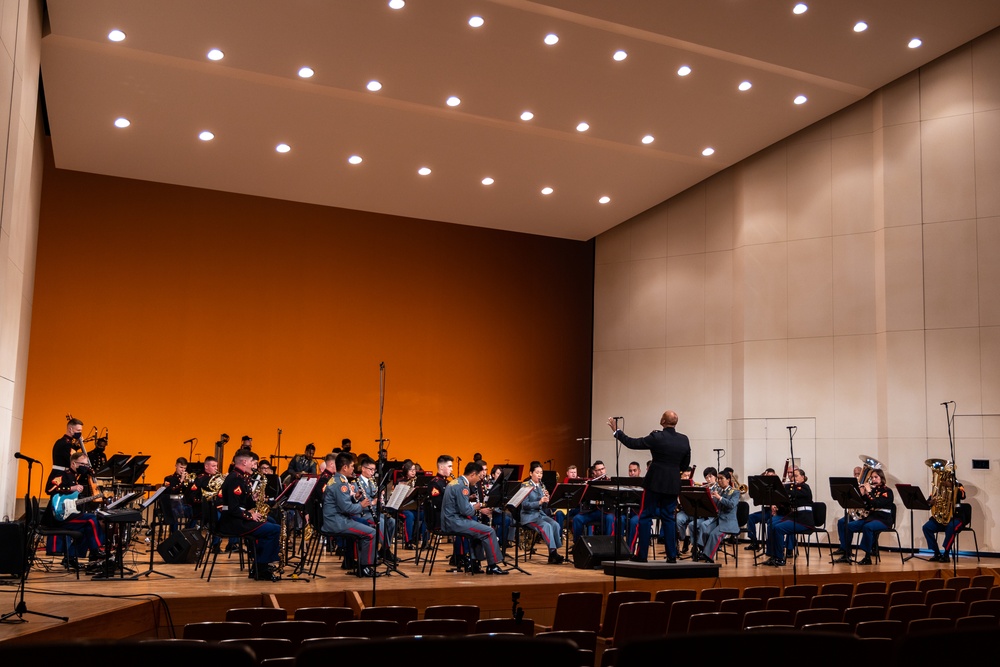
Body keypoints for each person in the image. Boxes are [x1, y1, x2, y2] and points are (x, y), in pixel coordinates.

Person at [607, 410, 692, 563]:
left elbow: (632, 443)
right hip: (673, 484)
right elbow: (685, 465)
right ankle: (672, 556)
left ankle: (642, 555)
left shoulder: (657, 437)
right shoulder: (684, 440)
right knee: (668, 518)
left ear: (663, 422)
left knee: (645, 516)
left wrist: (616, 432)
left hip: (654, 482)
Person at [217, 450, 281, 581]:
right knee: (274, 529)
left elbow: (242, 502)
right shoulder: (235, 479)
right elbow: (233, 508)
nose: (255, 466)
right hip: (233, 522)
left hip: (237, 518)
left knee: (272, 522)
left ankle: (260, 565)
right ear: (244, 462)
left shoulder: (240, 477)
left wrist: (253, 499)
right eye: (253, 462)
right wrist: (250, 515)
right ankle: (261, 567)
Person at [441, 461, 507, 575]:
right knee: (489, 531)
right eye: (478, 477)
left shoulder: (455, 482)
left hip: (450, 520)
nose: (478, 480)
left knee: (479, 532)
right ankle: (493, 565)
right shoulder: (463, 487)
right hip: (454, 522)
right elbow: (466, 511)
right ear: (472, 475)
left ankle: (475, 563)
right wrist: (476, 507)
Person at [322, 452, 382, 577]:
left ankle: (358, 562)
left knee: (367, 529)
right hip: (337, 522)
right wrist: (362, 505)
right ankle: (365, 567)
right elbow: (347, 508)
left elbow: (343, 503)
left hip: (336, 519)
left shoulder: (337, 479)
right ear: (345, 467)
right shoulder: (340, 484)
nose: (354, 469)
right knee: (371, 533)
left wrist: (355, 497)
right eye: (352, 466)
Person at [46, 451, 105, 563]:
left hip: (70, 514)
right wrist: (70, 488)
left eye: (86, 465)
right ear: (73, 464)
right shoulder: (62, 475)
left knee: (87, 528)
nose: (85, 467)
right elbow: (49, 489)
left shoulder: (75, 477)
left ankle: (71, 557)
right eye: (82, 464)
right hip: (59, 516)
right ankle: (97, 550)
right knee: (91, 519)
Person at [835, 469, 894, 565]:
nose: (873, 479)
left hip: (883, 519)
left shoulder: (887, 491)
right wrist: (862, 495)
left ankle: (867, 557)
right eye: (872, 477)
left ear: (881, 478)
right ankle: (847, 553)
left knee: (868, 527)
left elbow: (877, 504)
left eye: (876, 477)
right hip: (871, 518)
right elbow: (866, 505)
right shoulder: (873, 490)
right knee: (848, 526)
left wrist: (869, 492)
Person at [764, 468, 814, 567]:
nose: (793, 478)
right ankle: (772, 555)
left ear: (802, 477)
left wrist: (783, 486)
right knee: (772, 524)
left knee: (779, 528)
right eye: (791, 477)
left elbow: (793, 492)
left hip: (804, 520)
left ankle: (779, 558)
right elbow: (785, 500)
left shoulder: (804, 487)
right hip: (794, 516)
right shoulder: (792, 488)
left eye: (795, 476)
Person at [518, 461, 564, 564]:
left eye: (541, 473)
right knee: (546, 526)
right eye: (537, 472)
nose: (540, 475)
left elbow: (544, 506)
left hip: (539, 514)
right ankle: (553, 554)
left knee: (555, 524)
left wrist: (547, 499)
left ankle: (554, 552)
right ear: (531, 473)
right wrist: (539, 501)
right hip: (529, 516)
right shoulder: (525, 486)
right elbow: (524, 505)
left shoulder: (541, 486)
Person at [356, 455, 397, 562]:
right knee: (380, 522)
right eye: (371, 469)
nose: (373, 472)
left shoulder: (372, 482)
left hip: (374, 511)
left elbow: (376, 498)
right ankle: (387, 550)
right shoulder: (357, 482)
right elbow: (359, 501)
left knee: (392, 521)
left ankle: (383, 549)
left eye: (374, 470)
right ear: (363, 468)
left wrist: (380, 498)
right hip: (364, 513)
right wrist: (373, 501)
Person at [694, 470, 739, 563]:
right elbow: (715, 506)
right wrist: (709, 498)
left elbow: (731, 505)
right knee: (706, 532)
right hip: (718, 519)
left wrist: (719, 498)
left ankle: (708, 557)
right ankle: (705, 553)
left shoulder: (734, 492)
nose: (719, 481)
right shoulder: (719, 491)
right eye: (718, 478)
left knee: (714, 535)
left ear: (728, 480)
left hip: (728, 521)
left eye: (721, 478)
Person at [922, 478, 967, 563]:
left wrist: (952, 485)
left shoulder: (958, 485)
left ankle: (946, 554)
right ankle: (937, 553)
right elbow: (928, 503)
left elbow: (963, 496)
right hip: (941, 517)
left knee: (951, 527)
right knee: (927, 527)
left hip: (956, 517)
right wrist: (931, 502)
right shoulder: (937, 486)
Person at [571, 460, 615, 539]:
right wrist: (584, 488)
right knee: (577, 519)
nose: (601, 471)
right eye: (599, 470)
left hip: (606, 511)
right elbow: (583, 499)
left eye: (603, 469)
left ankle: (609, 544)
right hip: (592, 510)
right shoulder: (591, 482)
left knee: (610, 519)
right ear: (594, 472)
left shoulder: (610, 482)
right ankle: (577, 545)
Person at [744, 468, 778, 551]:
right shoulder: (765, 487)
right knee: (750, 517)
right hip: (767, 511)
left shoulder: (778, 486)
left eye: (771, 476)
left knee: (774, 523)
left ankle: (778, 545)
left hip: (778, 512)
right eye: (767, 477)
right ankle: (754, 542)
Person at [160, 457, 193, 534]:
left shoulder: (187, 479)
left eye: (184, 468)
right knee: (174, 513)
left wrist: (189, 483)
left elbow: (189, 493)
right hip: (172, 504)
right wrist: (181, 482)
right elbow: (170, 491)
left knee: (196, 512)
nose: (183, 470)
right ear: (176, 466)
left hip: (183, 504)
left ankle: (186, 532)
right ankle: (175, 535)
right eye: (181, 467)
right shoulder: (169, 478)